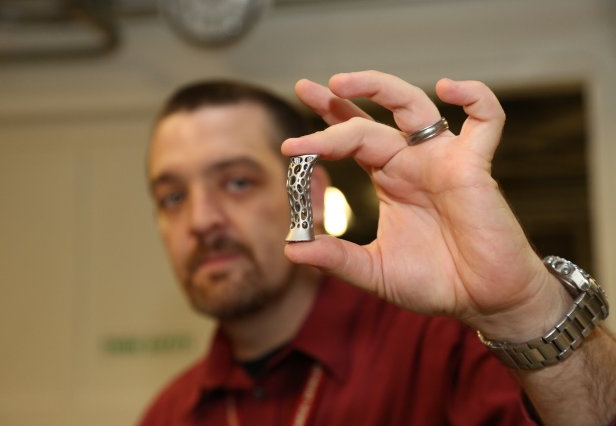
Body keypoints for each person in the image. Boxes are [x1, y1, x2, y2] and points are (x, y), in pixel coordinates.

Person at [139, 70, 616, 426]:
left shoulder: (443, 350)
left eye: (237, 182)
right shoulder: (167, 413)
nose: (201, 220)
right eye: (173, 196)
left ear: (308, 197)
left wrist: (525, 307)